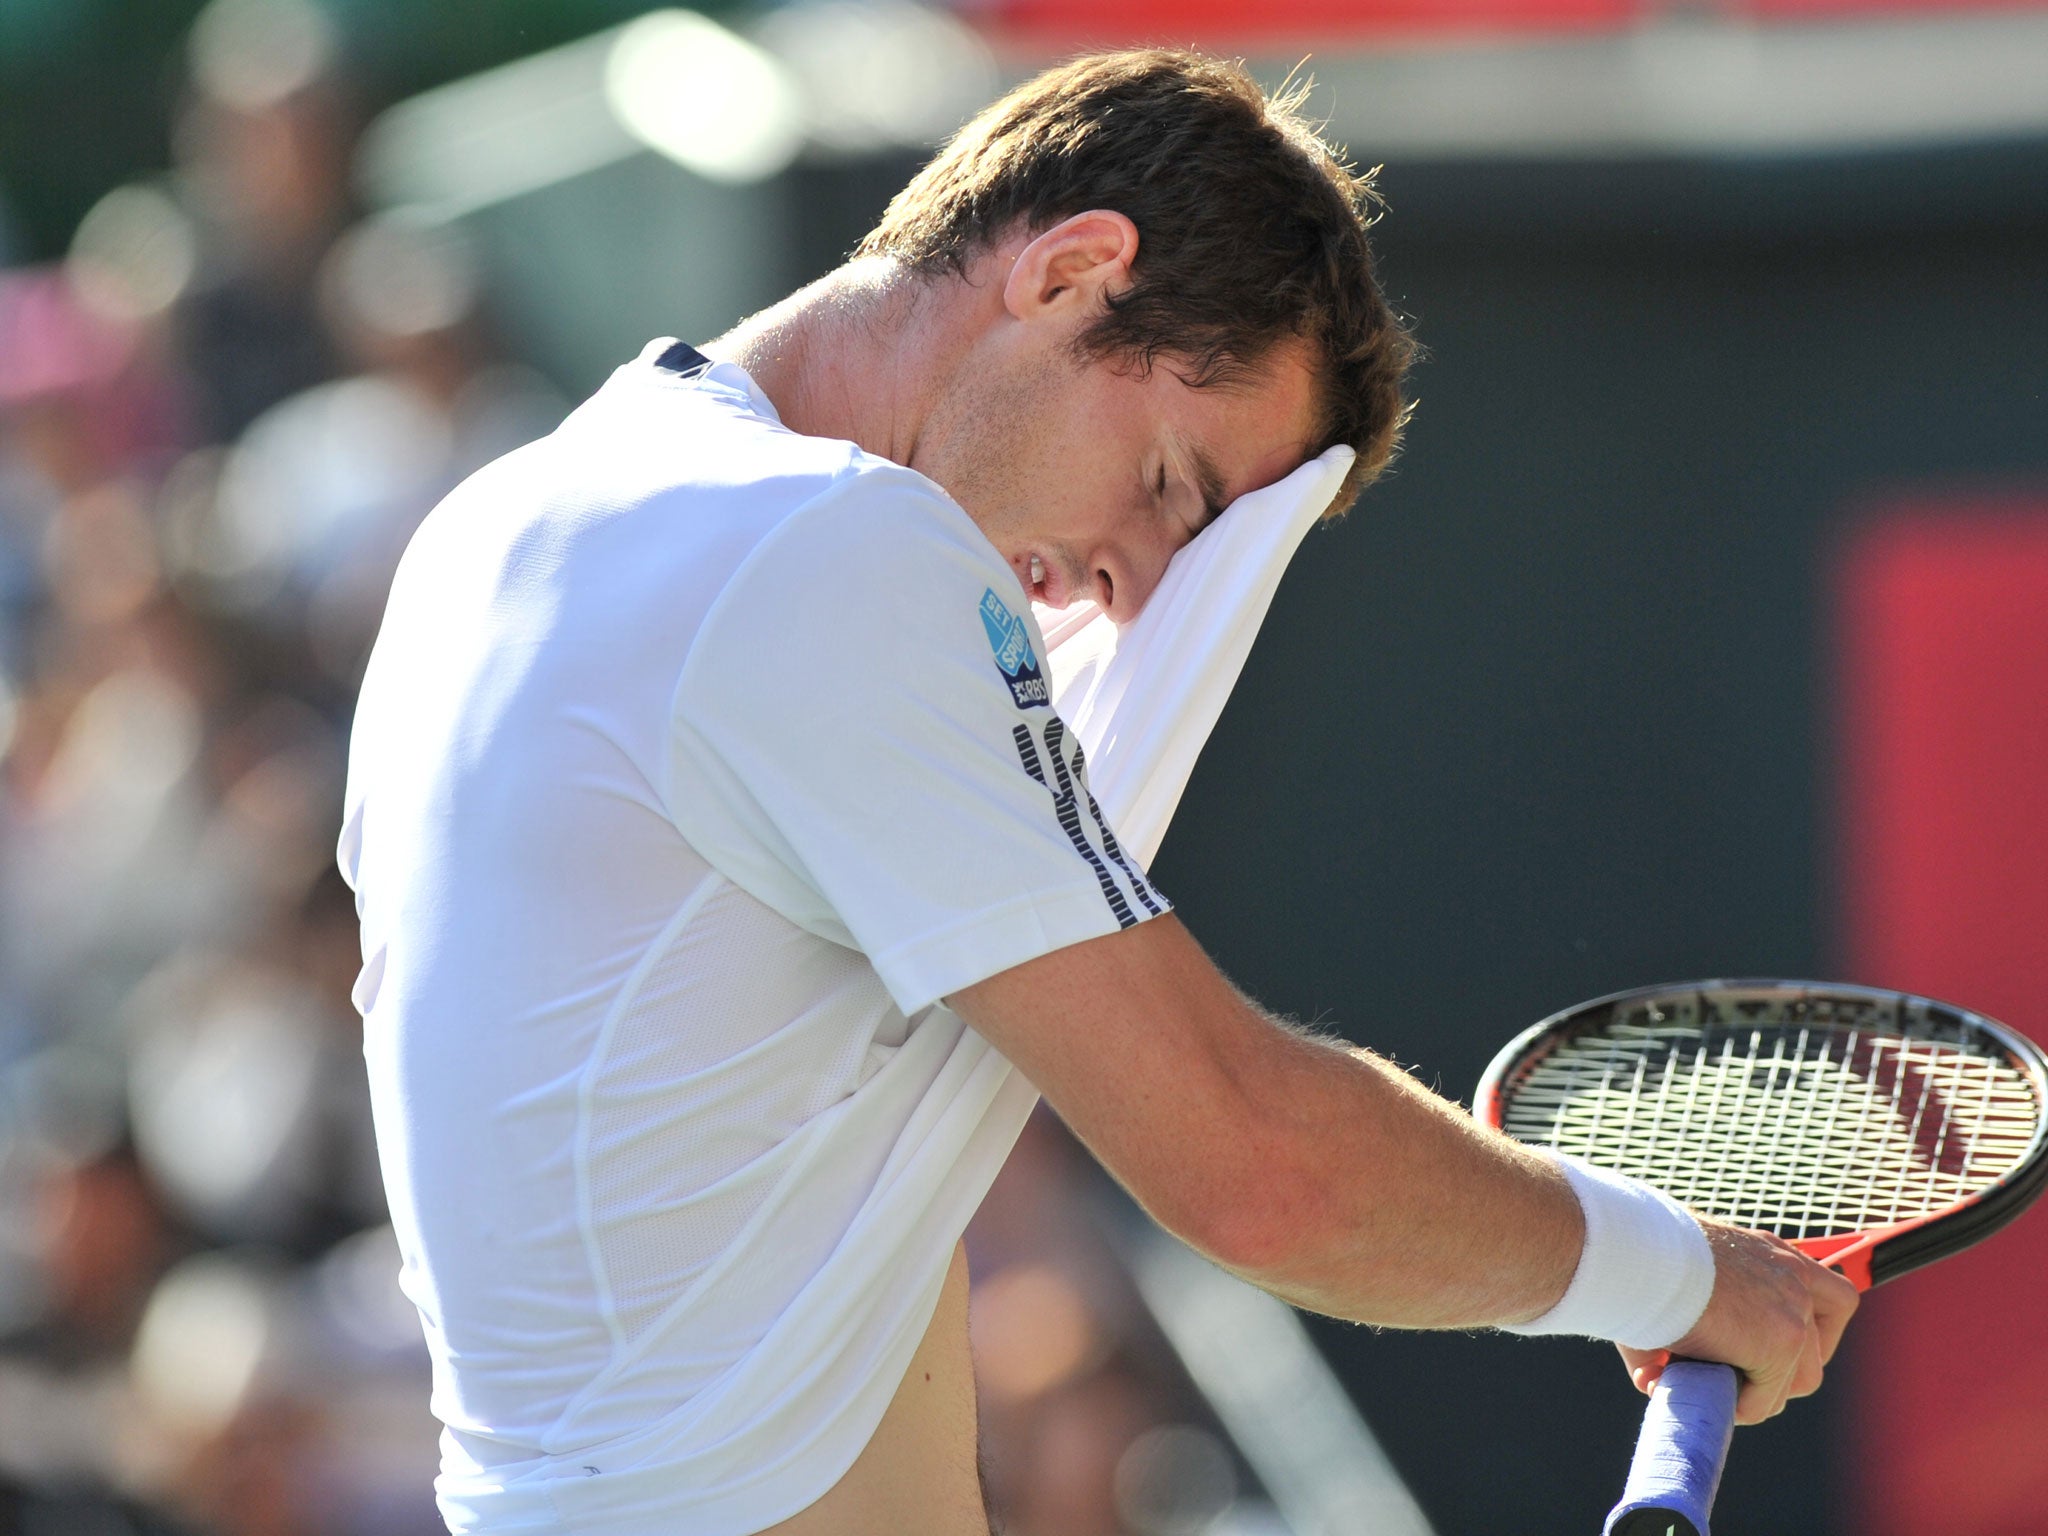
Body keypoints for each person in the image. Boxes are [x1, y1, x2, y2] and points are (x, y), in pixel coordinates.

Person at [339, 48, 1858, 1536]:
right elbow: (1250, 1165)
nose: (1128, 592)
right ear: (1071, 273)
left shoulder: (505, 521)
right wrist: (1688, 1275)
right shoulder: (814, 548)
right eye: (1172, 488)